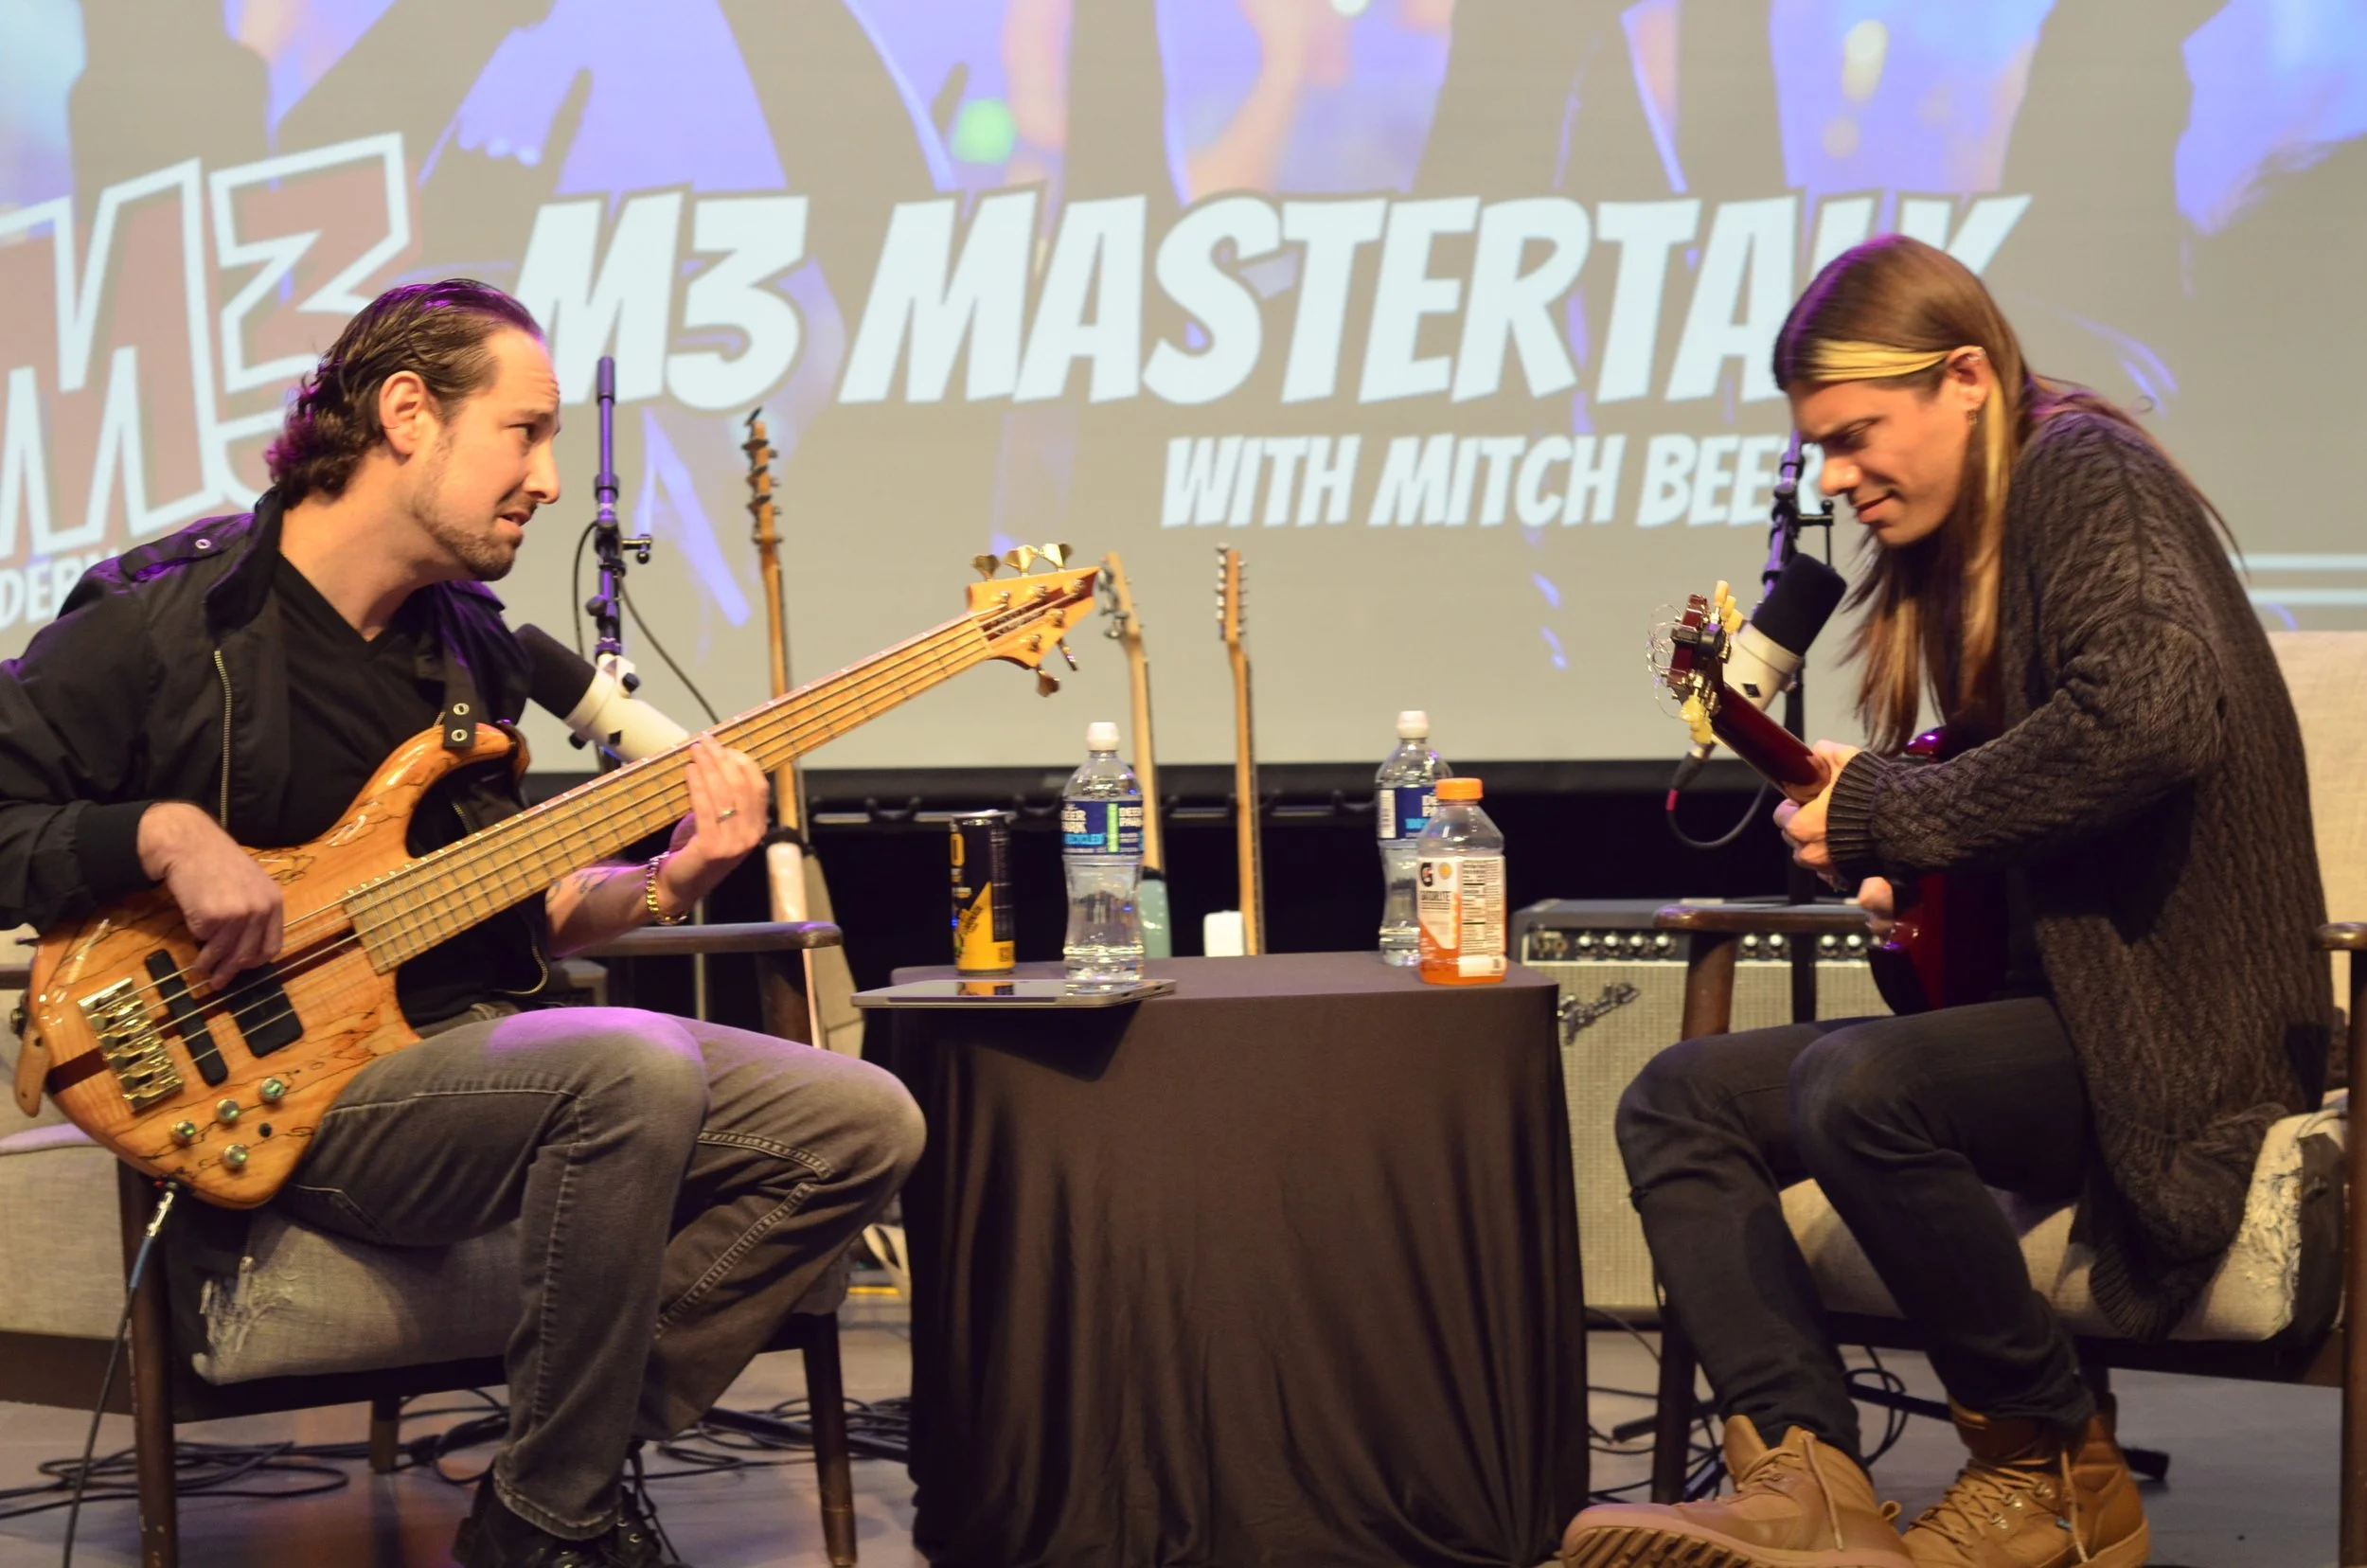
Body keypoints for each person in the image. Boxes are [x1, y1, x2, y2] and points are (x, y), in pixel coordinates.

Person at [0, 280, 926, 1568]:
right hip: (289, 1089)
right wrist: (158, 834)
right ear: (404, 416)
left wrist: (674, 878)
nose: (549, 480)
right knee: (627, 1064)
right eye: (526, 433)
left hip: (478, 1059)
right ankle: (561, 1524)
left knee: (862, 1118)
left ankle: (554, 1483)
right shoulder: (169, 622)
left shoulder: (470, 655)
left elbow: (524, 900)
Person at [1561, 236, 2327, 1568]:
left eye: (1860, 438)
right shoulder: (1958, 546)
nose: (1844, 481)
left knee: (1862, 1083)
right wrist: (1914, 858)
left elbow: (2151, 719)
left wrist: (1893, 813)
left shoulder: (2086, 476)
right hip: (2064, 1013)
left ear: (1965, 377)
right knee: (1678, 1099)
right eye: (1826, 451)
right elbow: (2031, 796)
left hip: (2177, 1029)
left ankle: (2048, 1467)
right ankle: (1807, 1480)